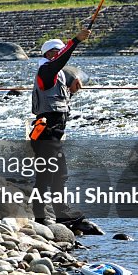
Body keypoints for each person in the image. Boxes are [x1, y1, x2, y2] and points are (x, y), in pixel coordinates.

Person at [29, 28, 102, 235]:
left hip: (53, 132)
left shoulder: (55, 75)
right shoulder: (46, 70)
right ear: (51, 54)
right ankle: (48, 216)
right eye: (59, 54)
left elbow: (56, 102)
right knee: (51, 175)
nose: (63, 59)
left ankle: (52, 215)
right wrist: (76, 41)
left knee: (54, 175)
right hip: (47, 132)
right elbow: (60, 62)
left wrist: (71, 93)